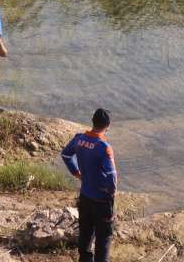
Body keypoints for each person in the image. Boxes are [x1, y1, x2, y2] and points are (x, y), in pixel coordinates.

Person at [61, 109, 119, 262]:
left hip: (85, 196)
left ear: (92, 121)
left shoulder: (79, 139)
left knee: (85, 234)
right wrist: (110, 192)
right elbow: (112, 175)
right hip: (101, 200)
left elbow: (66, 155)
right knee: (104, 238)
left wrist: (76, 173)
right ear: (108, 125)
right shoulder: (104, 147)